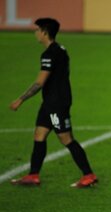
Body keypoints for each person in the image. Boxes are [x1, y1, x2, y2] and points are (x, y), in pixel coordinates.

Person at [8, 18, 97, 188]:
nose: (36, 33)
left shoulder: (49, 54)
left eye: (38, 30)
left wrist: (20, 99)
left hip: (56, 103)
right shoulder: (61, 49)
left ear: (45, 33)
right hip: (51, 102)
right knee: (39, 135)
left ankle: (89, 175)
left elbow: (39, 83)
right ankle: (33, 175)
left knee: (66, 138)